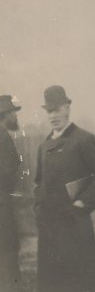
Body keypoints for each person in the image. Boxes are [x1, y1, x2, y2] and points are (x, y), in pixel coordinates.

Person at [33, 86, 95, 292]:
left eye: (57, 109)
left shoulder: (83, 140)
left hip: (74, 227)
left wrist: (82, 203)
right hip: (49, 229)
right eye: (49, 111)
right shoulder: (43, 145)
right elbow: (38, 183)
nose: (53, 116)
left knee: (77, 283)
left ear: (67, 107)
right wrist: (37, 207)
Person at [0, 95, 21, 292]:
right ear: (6, 114)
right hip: (2, 202)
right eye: (14, 112)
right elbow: (7, 170)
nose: (16, 117)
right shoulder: (3, 136)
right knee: (7, 249)